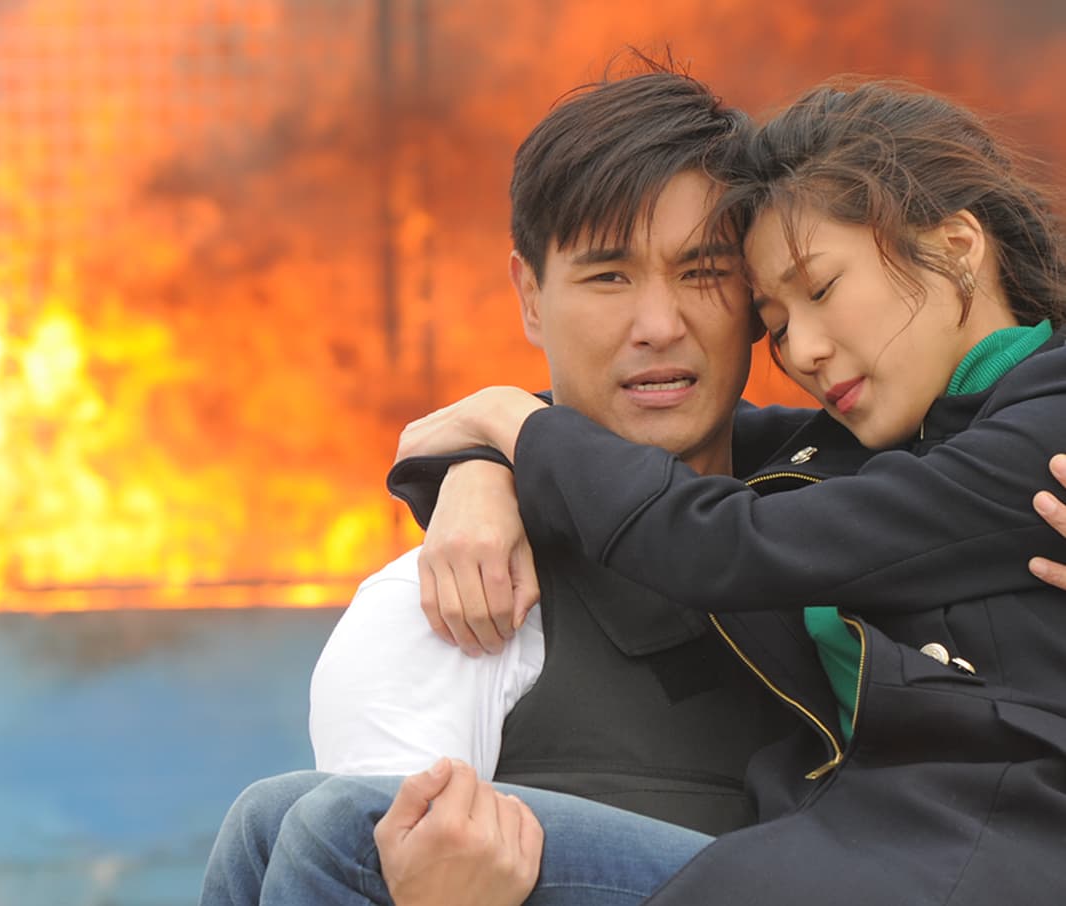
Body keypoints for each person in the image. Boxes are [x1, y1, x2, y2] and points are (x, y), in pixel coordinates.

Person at [220, 78, 1066, 906]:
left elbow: (723, 537)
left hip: (947, 867)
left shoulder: (1033, 427)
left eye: (705, 274)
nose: (803, 349)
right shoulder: (870, 448)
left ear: (957, 245)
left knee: (341, 833)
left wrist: (510, 426)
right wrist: (479, 460)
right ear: (529, 295)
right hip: (865, 851)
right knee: (266, 821)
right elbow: (696, 466)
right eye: (778, 320)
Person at [305, 65, 809, 827]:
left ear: (758, 296)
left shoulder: (861, 513)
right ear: (530, 297)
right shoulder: (447, 610)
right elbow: (379, 866)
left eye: (703, 271)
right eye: (608, 276)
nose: (659, 325)